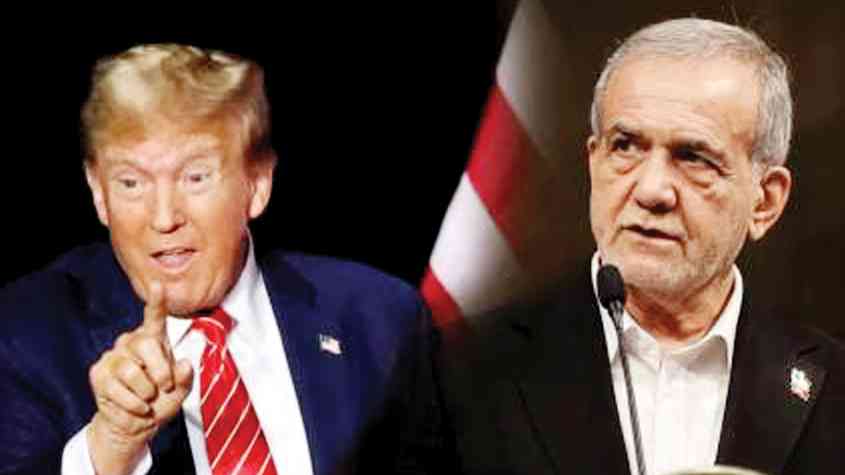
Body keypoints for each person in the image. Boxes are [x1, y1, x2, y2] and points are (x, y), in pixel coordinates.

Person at [0, 44, 451, 475]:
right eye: (131, 183)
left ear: (257, 183)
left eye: (195, 177)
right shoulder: (28, 331)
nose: (163, 218)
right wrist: (112, 443)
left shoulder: (380, 319)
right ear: (99, 193)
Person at [438, 18, 845, 475]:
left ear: (764, 201)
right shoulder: (461, 367)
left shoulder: (835, 390)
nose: (651, 190)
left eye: (693, 157)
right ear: (594, 162)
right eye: (626, 146)